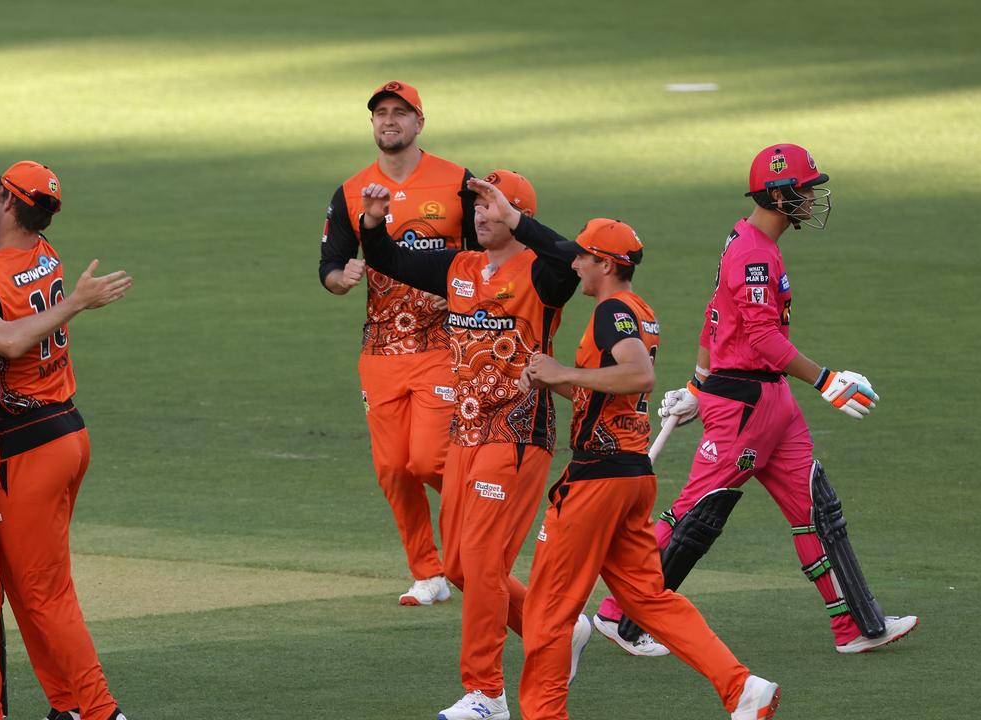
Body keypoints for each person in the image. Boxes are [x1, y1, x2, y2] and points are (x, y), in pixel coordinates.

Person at [593, 144, 918, 656]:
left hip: (770, 402)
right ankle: (621, 617)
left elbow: (715, 314)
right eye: (805, 189)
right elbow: (763, 338)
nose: (812, 197)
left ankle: (856, 626)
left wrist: (699, 383)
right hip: (745, 406)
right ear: (779, 194)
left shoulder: (747, 242)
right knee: (695, 516)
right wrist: (826, 380)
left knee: (818, 511)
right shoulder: (752, 254)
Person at [515, 218, 781, 720]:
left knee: (548, 612)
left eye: (582, 257)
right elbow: (615, 390)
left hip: (596, 482)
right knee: (649, 599)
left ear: (607, 265)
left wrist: (563, 370)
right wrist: (554, 381)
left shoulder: (611, 310)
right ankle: (742, 688)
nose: (573, 264)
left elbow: (640, 374)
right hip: (631, 477)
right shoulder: (640, 311)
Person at [359, 173, 589, 720]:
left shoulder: (543, 274)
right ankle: (557, 627)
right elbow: (389, 260)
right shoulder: (459, 267)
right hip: (464, 434)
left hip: (515, 434)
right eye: (476, 208)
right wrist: (370, 222)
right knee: (461, 569)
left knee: (484, 561)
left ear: (515, 213)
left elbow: (575, 256)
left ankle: (486, 695)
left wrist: (519, 222)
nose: (479, 216)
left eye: (490, 208)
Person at [0, 159, 129, 720]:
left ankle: (101, 710)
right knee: (25, 583)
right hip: (67, 434)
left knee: (45, 592)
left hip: (28, 447)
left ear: (5, 203)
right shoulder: (47, 255)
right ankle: (69, 705)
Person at [319, 80, 478, 605]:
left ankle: (479, 525)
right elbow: (330, 264)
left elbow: (489, 255)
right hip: (381, 352)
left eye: (400, 113)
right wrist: (339, 279)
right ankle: (428, 573)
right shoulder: (349, 191)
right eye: (381, 114)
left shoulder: (457, 182)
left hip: (444, 344)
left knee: (429, 461)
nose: (389, 121)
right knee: (392, 468)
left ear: (419, 123)